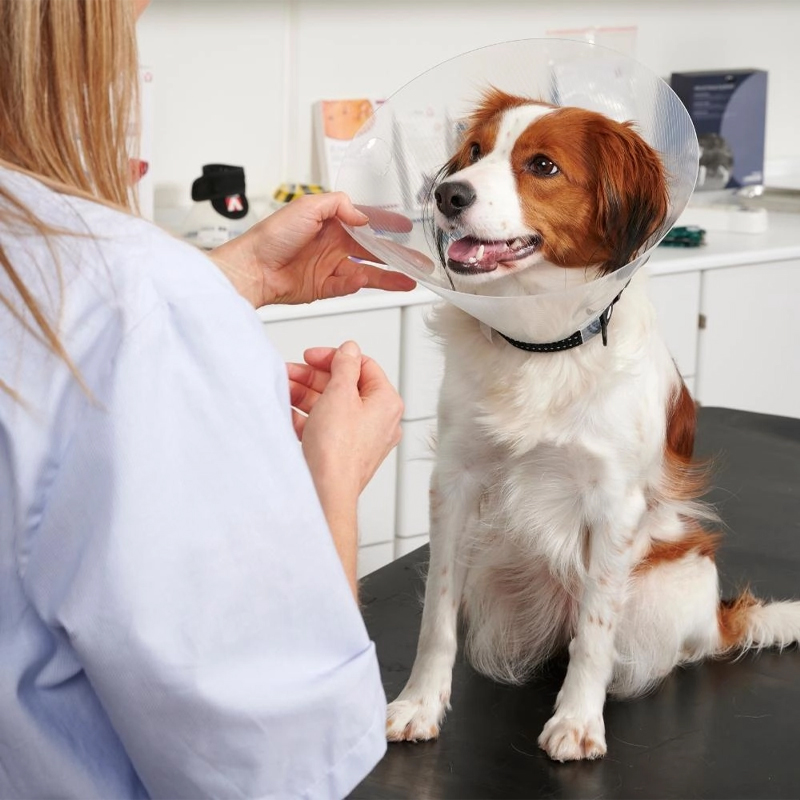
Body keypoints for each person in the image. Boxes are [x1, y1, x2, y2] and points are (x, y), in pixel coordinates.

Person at [0, 0, 416, 797]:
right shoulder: (129, 294)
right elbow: (273, 767)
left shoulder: (108, 290)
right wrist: (328, 485)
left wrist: (229, 279)